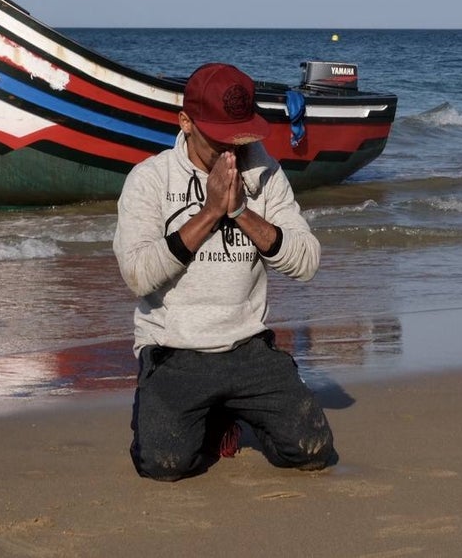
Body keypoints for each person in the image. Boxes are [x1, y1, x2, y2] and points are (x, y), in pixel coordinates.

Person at [113, 62, 336, 481]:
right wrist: (209, 213)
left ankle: (235, 408)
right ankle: (213, 421)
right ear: (185, 122)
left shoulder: (265, 174)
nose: (232, 150)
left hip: (247, 345)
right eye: (219, 139)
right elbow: (138, 276)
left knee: (312, 450)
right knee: (163, 466)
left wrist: (240, 212)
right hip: (174, 348)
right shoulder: (149, 179)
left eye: (242, 136)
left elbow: (306, 262)